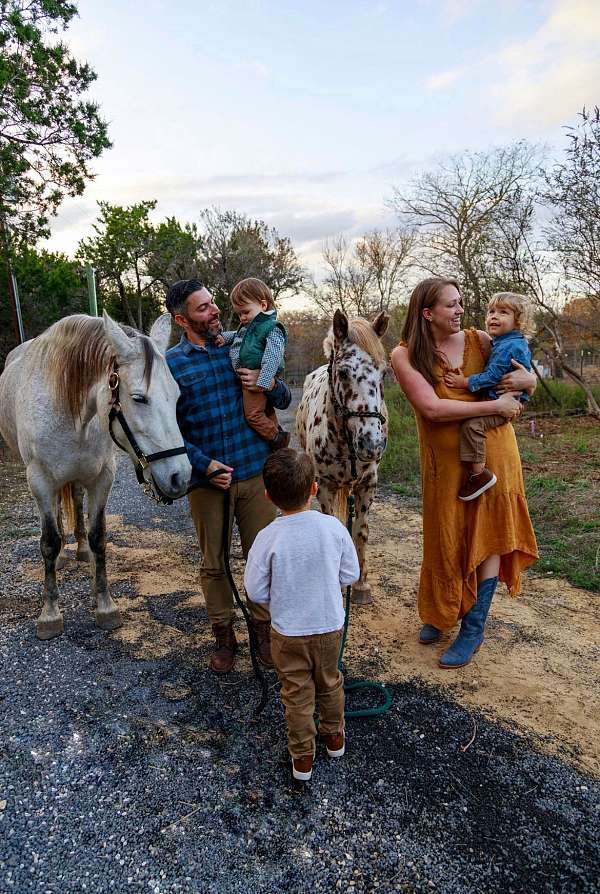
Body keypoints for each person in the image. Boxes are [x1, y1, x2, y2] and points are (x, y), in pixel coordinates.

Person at [390, 278, 538, 669]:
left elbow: (520, 370)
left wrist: (531, 382)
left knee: (487, 537)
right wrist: (493, 408)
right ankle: (441, 611)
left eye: (461, 303)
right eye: (451, 306)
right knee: (446, 535)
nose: (460, 311)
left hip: (494, 456)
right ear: (427, 313)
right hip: (445, 466)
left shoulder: (481, 341)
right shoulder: (404, 355)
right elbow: (433, 409)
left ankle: (473, 627)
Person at [165, 278, 292, 674]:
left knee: (261, 558)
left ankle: (262, 632)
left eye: (213, 303)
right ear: (182, 319)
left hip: (255, 472)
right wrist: (204, 465)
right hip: (207, 483)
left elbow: (285, 398)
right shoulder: (172, 364)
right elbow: (169, 432)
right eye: (203, 309)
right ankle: (224, 636)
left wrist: (268, 386)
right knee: (214, 563)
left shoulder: (239, 346)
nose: (215, 311)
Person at [244, 448, 360, 782]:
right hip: (329, 629)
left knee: (297, 694)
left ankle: (303, 760)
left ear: (268, 496)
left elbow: (255, 591)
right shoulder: (333, 527)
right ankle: (334, 738)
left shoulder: (267, 537)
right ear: (313, 488)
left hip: (288, 633)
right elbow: (350, 575)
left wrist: (280, 596)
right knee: (330, 682)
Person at [443, 292, 534, 502]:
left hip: (505, 402)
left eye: (503, 312)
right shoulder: (502, 342)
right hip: (499, 399)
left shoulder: (510, 346)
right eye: (491, 311)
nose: (494, 316)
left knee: (472, 426)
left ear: (517, 321)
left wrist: (464, 382)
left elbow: (492, 376)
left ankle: (479, 474)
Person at [217, 278, 290, 450]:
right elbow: (237, 335)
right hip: (253, 378)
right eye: (239, 314)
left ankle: (276, 438)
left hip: (256, 380)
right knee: (265, 410)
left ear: (263, 305)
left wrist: (263, 381)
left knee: (253, 415)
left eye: (245, 312)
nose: (242, 318)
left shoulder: (272, 328)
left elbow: (273, 355)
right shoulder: (250, 326)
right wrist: (224, 338)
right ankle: (277, 433)